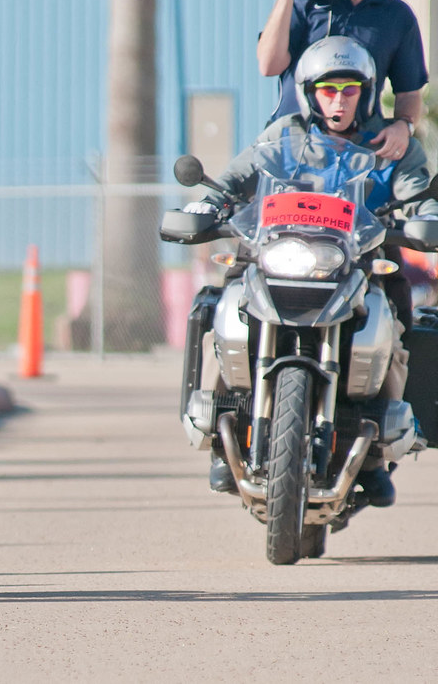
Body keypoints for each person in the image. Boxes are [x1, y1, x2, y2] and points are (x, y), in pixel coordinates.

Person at [188, 36, 438, 506]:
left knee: (395, 330)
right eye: (327, 89)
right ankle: (221, 444)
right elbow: (235, 178)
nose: (338, 99)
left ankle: (377, 457)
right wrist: (209, 202)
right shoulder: (282, 136)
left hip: (358, 261)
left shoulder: (393, 143)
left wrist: (425, 215)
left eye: (349, 89)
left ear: (366, 92)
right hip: (279, 254)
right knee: (222, 315)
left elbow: (417, 193)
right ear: (308, 91)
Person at [257, 0, 427, 162]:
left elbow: (409, 92)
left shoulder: (397, 16)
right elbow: (269, 66)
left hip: (358, 156)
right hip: (291, 149)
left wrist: (403, 125)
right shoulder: (305, 2)